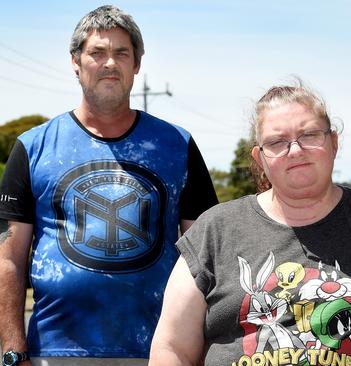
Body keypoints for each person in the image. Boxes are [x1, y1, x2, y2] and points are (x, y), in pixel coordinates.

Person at [148, 80, 351, 366]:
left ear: (334, 142)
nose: (295, 150)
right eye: (277, 142)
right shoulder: (214, 231)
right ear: (260, 158)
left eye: (309, 135)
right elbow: (172, 346)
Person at [0, 5, 218, 366]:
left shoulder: (177, 145)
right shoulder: (33, 147)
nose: (110, 63)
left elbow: (206, 254)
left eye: (121, 53)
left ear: (137, 63)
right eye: (97, 52)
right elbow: (8, 257)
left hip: (161, 349)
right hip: (54, 350)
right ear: (75, 61)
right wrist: (11, 348)